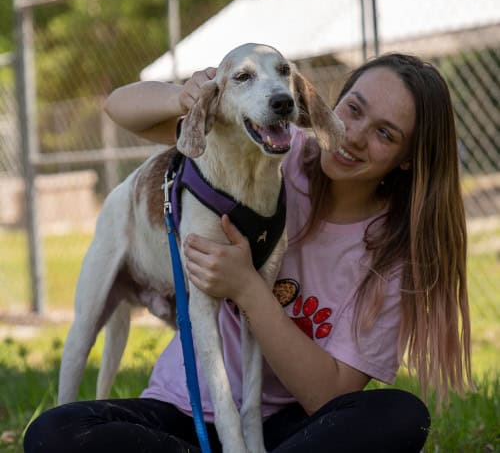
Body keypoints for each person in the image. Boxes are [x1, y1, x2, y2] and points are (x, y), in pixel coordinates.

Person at [24, 53, 474, 453]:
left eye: (385, 134)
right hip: (185, 413)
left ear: (409, 159)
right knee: (57, 432)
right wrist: (186, 95)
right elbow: (120, 106)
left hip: (285, 430)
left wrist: (248, 289)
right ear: (327, 104)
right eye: (353, 110)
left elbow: (329, 398)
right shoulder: (271, 150)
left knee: (400, 415)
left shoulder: (392, 259)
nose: (354, 136)